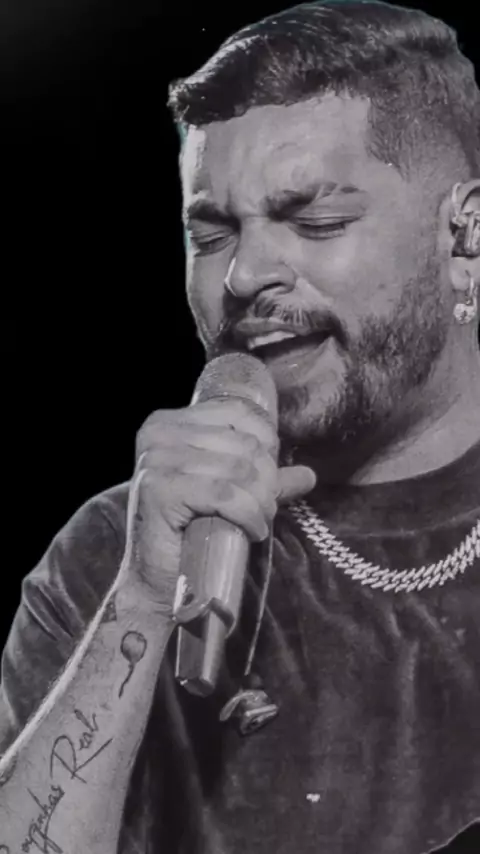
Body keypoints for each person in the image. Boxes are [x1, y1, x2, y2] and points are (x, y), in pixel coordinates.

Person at [1, 1, 479, 851]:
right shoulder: (111, 556)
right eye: (213, 232)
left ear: (465, 237)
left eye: (315, 222)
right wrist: (144, 601)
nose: (246, 274)